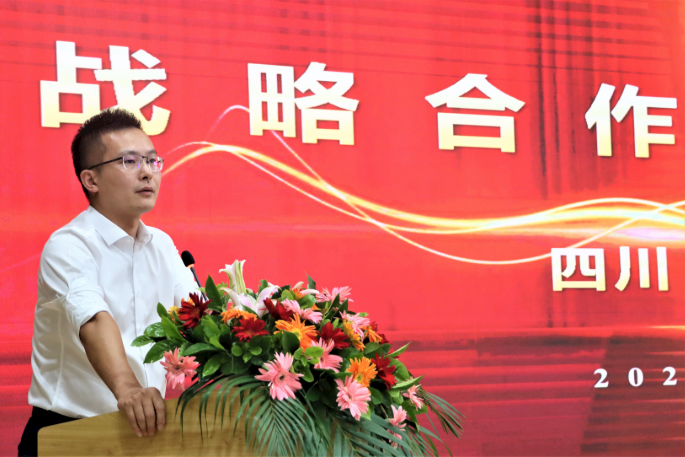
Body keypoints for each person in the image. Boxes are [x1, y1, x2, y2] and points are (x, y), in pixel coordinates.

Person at [18, 108, 198, 457]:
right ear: (91, 180)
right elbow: (94, 320)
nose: (147, 171)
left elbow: (198, 317)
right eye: (129, 161)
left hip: (142, 434)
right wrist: (128, 389)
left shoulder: (162, 245)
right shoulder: (69, 245)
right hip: (69, 434)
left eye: (152, 160)